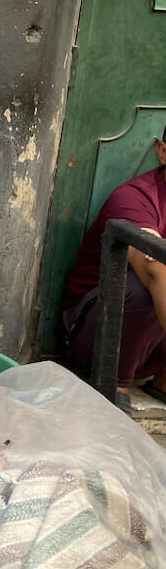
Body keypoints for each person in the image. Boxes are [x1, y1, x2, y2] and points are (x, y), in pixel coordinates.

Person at [62, 128, 166, 409]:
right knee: (144, 285)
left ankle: (162, 381)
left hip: (152, 347)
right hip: (95, 335)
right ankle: (115, 388)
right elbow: (155, 270)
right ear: (163, 152)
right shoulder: (136, 197)